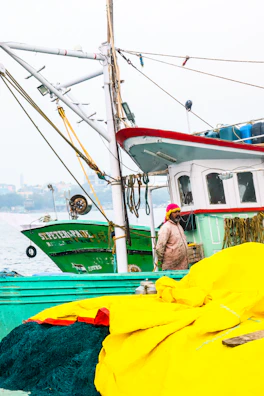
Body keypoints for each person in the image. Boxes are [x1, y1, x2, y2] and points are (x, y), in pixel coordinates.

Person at [156, 203, 188, 270]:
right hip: (170, 266)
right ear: (169, 214)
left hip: (183, 264)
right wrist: (162, 260)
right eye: (175, 212)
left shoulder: (179, 226)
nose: (177, 214)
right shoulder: (166, 227)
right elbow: (160, 247)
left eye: (178, 212)